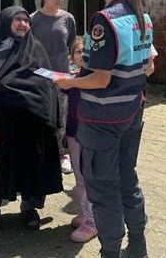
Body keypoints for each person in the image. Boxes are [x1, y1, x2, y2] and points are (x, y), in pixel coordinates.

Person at [53, 0, 153, 258]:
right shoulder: (142, 17)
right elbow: (149, 68)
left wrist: (69, 82)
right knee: (128, 180)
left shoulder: (104, 20)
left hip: (102, 120)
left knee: (105, 191)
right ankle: (137, 246)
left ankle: (110, 252)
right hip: (132, 114)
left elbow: (99, 80)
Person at [0, 6, 63, 232]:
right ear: (6, 21)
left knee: (31, 166)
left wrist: (53, 119)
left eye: (26, 20)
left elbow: (49, 86)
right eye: (18, 19)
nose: (24, 24)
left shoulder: (36, 49)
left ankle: (29, 208)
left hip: (32, 123)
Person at [30, 0, 76, 174]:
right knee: (41, 115)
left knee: (62, 115)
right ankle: (41, 152)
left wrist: (74, 68)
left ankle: (62, 154)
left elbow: (73, 45)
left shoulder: (68, 18)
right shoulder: (32, 19)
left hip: (62, 75)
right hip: (39, 76)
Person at [64, 39, 97, 243]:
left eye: (86, 51)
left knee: (91, 177)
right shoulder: (70, 79)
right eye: (78, 52)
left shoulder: (96, 79)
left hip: (91, 135)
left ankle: (93, 222)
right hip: (73, 133)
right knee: (79, 178)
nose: (82, 55)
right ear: (72, 57)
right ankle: (86, 212)